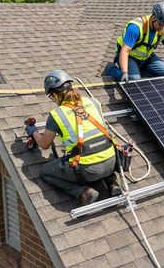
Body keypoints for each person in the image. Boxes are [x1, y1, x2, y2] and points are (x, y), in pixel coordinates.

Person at [26, 70, 120, 207]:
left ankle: (84, 192)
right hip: (112, 162)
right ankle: (112, 182)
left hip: (89, 170)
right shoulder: (92, 102)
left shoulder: (57, 114)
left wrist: (34, 132)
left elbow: (44, 144)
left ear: (54, 94)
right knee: (98, 148)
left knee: (45, 172)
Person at [106, 2, 164, 82]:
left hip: (145, 58)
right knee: (134, 80)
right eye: (160, 23)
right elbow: (125, 51)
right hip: (129, 57)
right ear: (153, 18)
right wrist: (124, 73)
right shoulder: (136, 28)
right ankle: (111, 69)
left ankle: (140, 72)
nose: (162, 27)